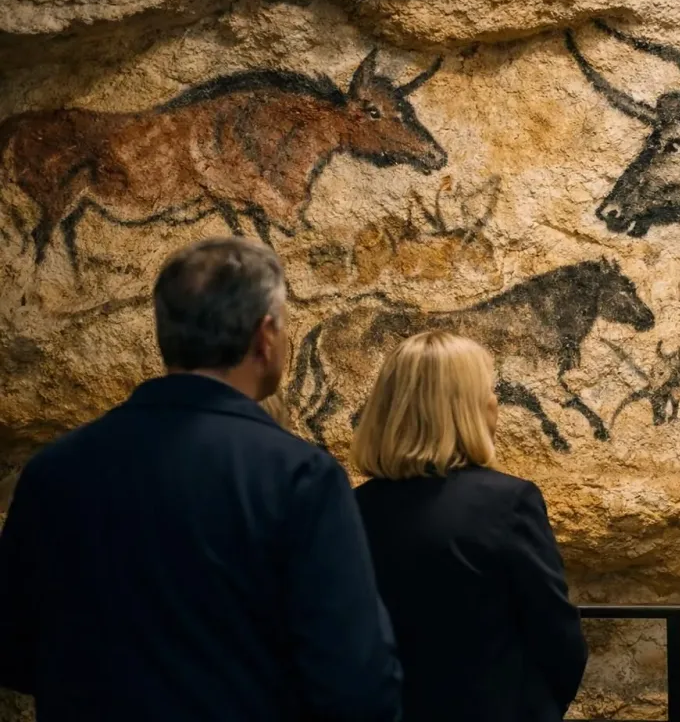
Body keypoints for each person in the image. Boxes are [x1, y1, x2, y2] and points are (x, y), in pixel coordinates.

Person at [0, 237, 403, 721]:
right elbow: (355, 682)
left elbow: (14, 650)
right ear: (265, 336)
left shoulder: (54, 470)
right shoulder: (300, 477)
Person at [352, 330, 588, 722]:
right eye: (490, 390)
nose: (496, 403)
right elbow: (558, 639)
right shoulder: (508, 503)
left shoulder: (355, 507)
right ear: (465, 408)